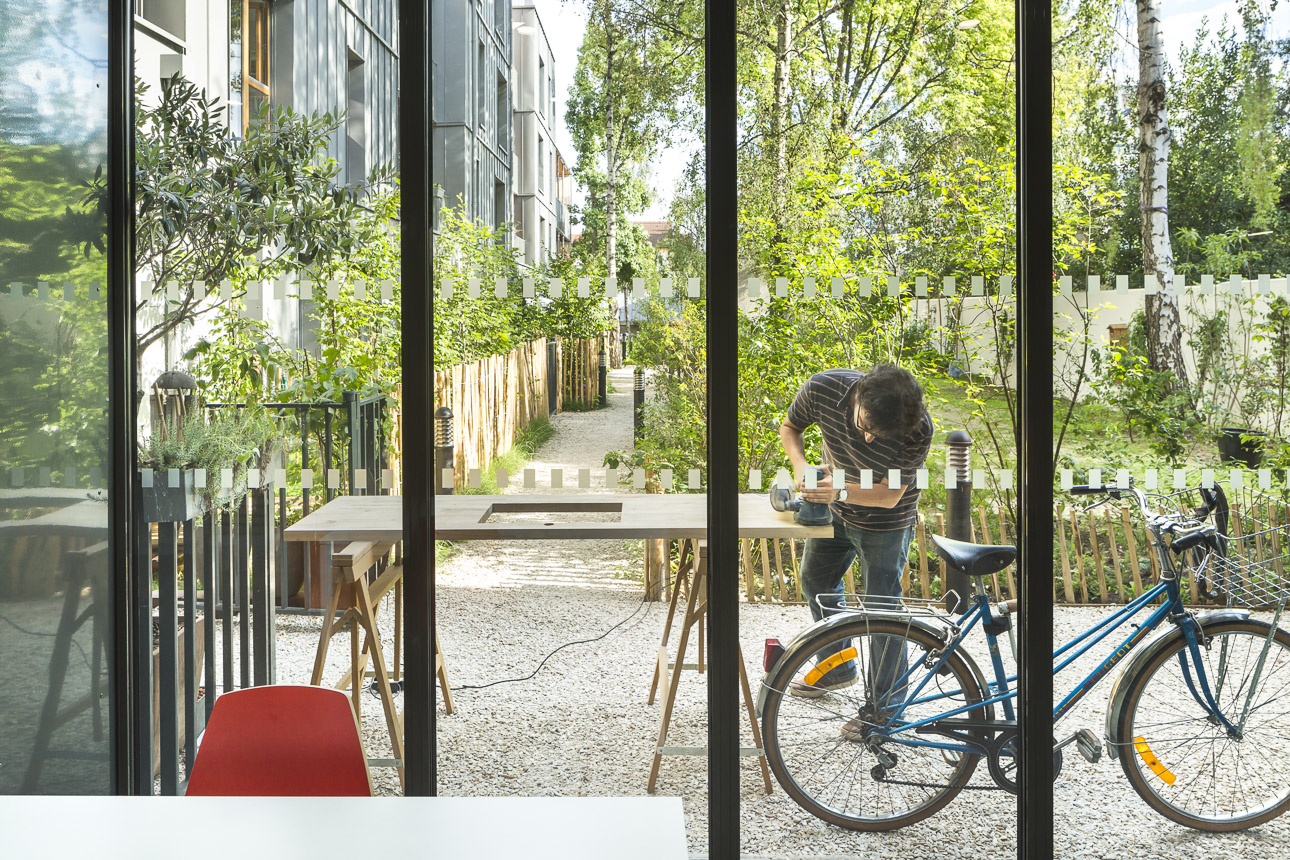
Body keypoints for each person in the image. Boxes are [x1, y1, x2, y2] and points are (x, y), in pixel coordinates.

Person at [778, 364, 933, 738]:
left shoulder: (918, 427)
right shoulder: (823, 388)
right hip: (835, 512)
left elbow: (888, 494)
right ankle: (837, 667)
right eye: (865, 425)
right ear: (858, 395)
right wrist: (801, 469)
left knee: (881, 609)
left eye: (877, 435)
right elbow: (790, 427)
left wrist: (838, 489)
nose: (867, 439)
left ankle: (886, 708)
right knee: (817, 580)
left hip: (886, 523)